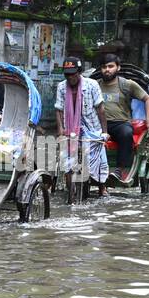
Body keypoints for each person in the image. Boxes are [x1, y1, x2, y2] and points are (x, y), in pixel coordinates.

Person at [95, 53, 149, 182]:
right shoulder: (94, 85)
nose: (107, 70)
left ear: (118, 68)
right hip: (98, 124)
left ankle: (120, 170)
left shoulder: (127, 84)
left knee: (126, 133)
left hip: (120, 124)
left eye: (111, 66)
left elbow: (148, 99)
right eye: (104, 67)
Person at [55, 55, 109, 198]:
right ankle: (70, 191)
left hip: (91, 126)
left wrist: (104, 132)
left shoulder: (92, 85)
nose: (70, 78)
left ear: (79, 72)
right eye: (67, 75)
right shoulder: (61, 87)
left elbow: (101, 109)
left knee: (99, 155)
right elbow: (59, 109)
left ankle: (102, 187)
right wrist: (60, 130)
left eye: (73, 74)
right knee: (66, 159)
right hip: (70, 127)